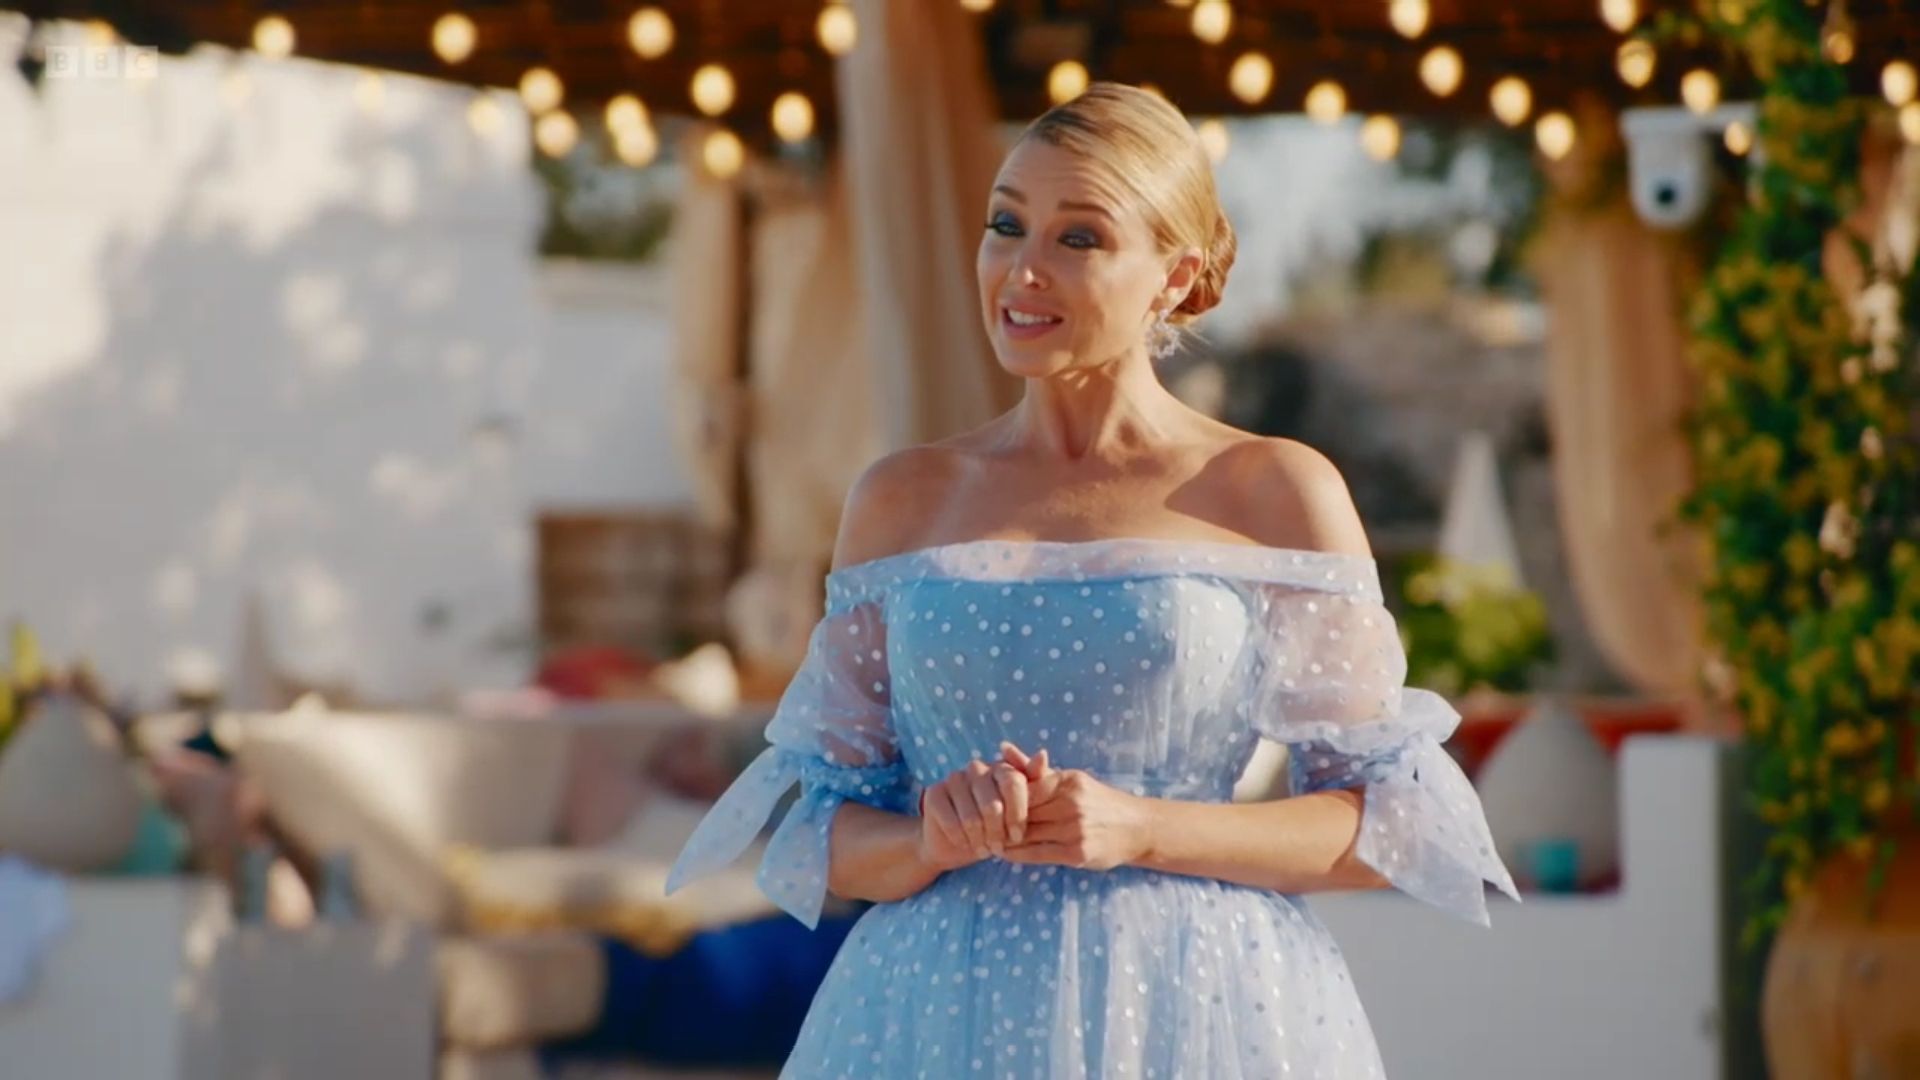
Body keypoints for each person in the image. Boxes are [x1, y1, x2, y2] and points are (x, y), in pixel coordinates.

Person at [666, 82, 1517, 1078]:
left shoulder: (1273, 490)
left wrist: (1142, 827)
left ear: (1174, 276)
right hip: (934, 1013)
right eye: (1005, 224)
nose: (1022, 269)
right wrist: (930, 838)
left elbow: (1384, 829)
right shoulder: (902, 498)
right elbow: (824, 830)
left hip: (1199, 1009)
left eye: (1079, 237)